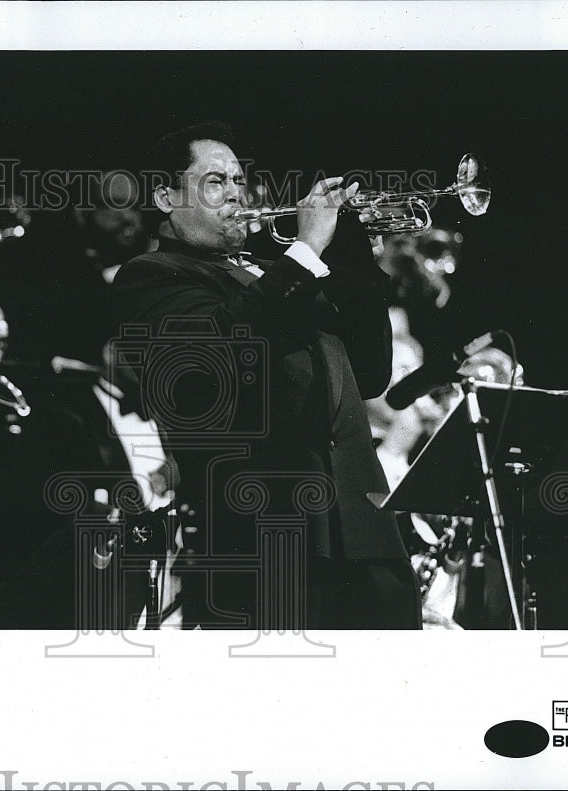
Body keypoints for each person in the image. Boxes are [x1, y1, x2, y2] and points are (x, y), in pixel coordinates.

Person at [111, 121, 422, 629]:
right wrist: (304, 253)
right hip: (265, 542)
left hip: (365, 534)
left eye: (239, 180)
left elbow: (368, 377)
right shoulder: (153, 276)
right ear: (165, 196)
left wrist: (356, 259)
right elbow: (217, 360)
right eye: (216, 182)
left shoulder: (276, 273)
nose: (237, 194)